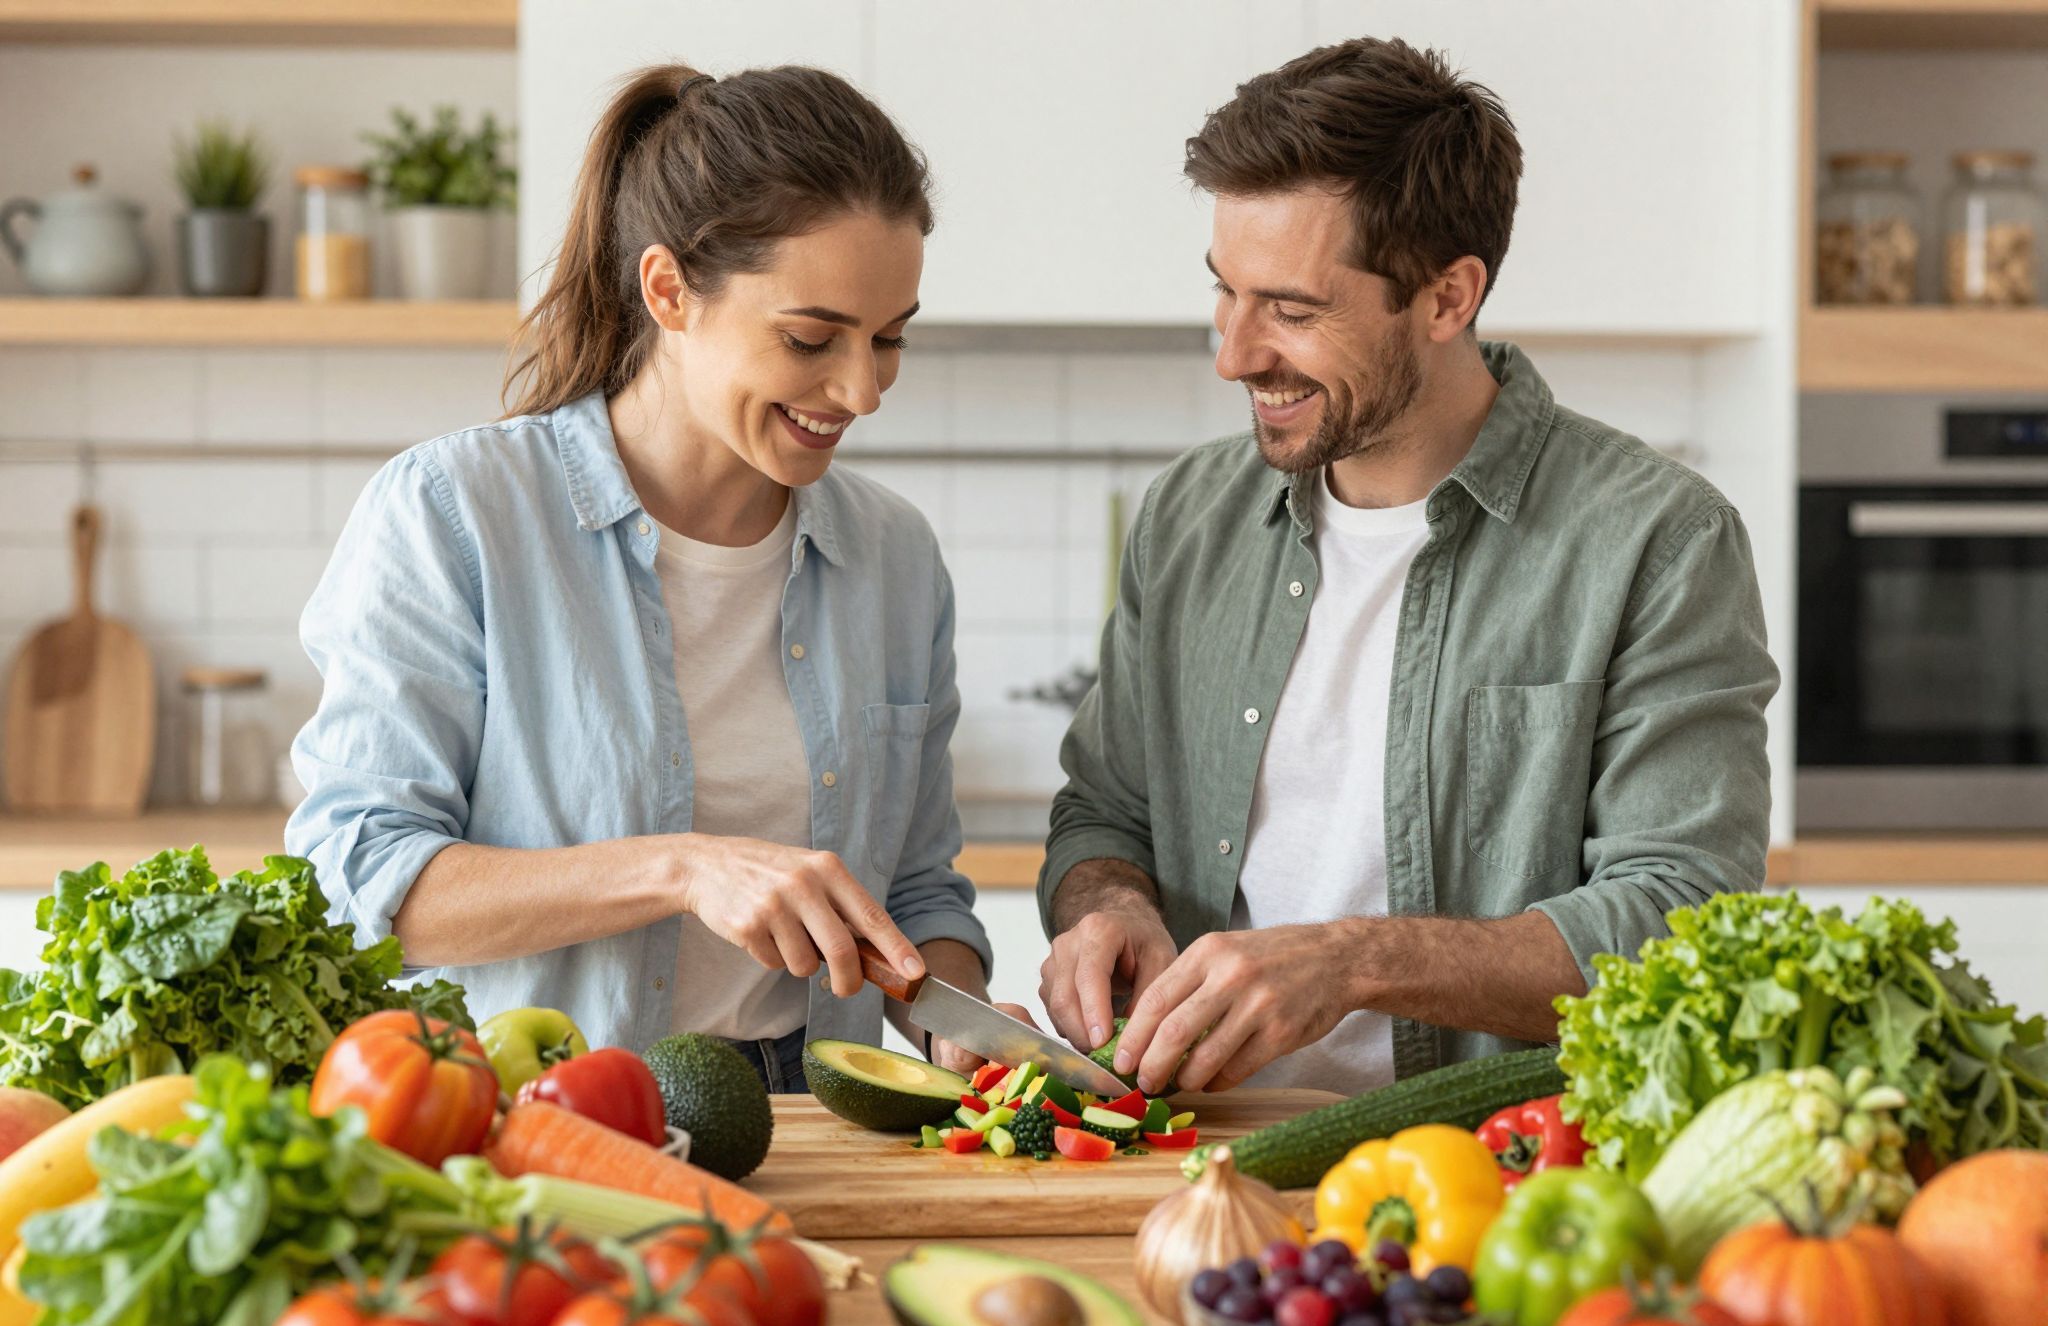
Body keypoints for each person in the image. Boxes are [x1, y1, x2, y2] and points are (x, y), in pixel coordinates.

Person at [1036, 37, 1778, 1098]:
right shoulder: (1187, 516)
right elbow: (1104, 814)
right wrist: (1109, 909)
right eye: (1225, 293)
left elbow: (1681, 917)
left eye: (1292, 311)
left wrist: (1351, 961)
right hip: (1199, 1152)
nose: (1234, 353)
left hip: (1498, 1170)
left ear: (1445, 298)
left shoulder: (1656, 540)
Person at [289, 62, 1006, 1092]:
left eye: (888, 338)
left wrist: (961, 1022)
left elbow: (917, 890)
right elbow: (360, 880)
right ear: (667, 290)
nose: (862, 390)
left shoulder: (892, 557)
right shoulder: (456, 514)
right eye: (810, 338)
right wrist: (681, 866)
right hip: (540, 1112)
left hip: (808, 1114)